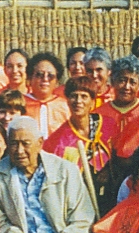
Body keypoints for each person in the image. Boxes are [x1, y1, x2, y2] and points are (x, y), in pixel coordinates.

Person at [43, 77, 117, 212]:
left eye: (84, 96)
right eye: (73, 96)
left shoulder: (108, 124)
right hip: (78, 201)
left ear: (92, 101)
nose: (78, 101)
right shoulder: (58, 141)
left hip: (112, 193)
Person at [95, 55, 139, 135]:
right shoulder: (99, 115)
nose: (127, 87)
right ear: (113, 82)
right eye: (122, 81)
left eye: (132, 82)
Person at [23, 52, 70, 138]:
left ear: (56, 81)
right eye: (39, 75)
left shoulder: (65, 106)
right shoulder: (21, 104)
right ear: (30, 77)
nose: (45, 79)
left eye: (50, 76)